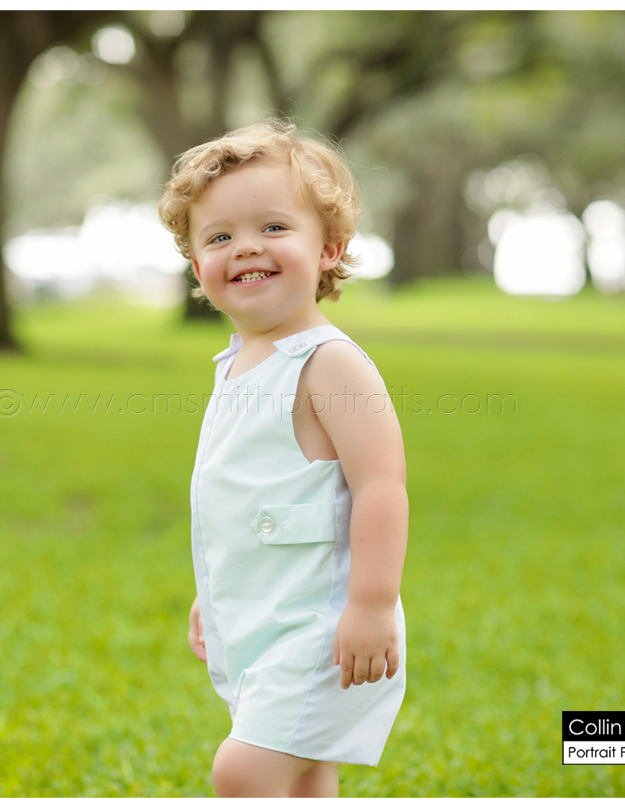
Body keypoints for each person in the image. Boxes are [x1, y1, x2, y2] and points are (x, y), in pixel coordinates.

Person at [159, 119, 408, 798]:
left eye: (273, 227)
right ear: (197, 267)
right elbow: (249, 498)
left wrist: (373, 603)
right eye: (219, 237)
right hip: (265, 618)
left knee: (243, 772)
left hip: (323, 626)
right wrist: (216, 589)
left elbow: (381, 486)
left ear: (329, 248)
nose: (245, 247)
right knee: (305, 776)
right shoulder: (236, 364)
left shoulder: (329, 363)